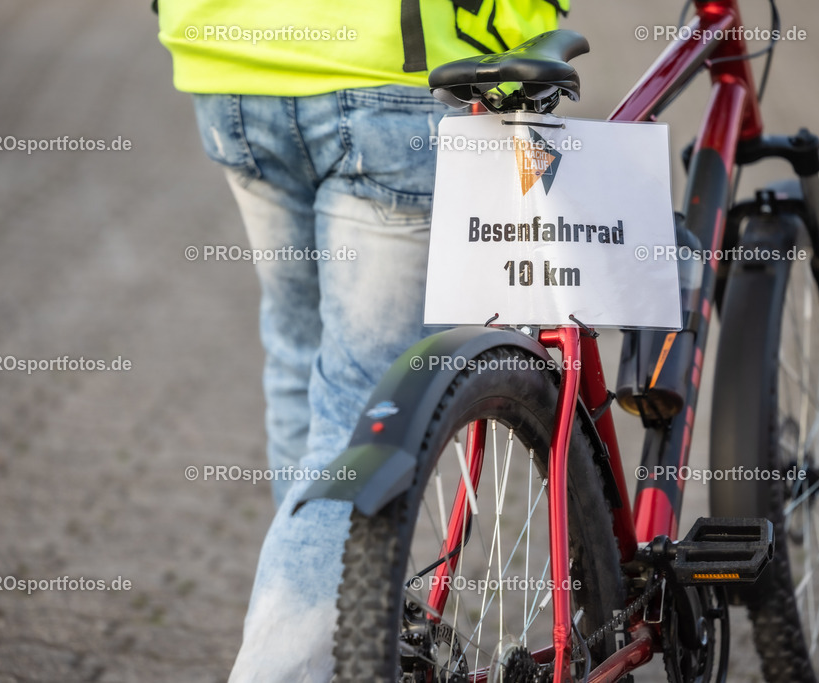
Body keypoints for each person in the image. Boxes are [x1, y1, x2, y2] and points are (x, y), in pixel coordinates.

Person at [157, 2, 568, 680]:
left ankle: (328, 635)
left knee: (301, 359)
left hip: (230, 61)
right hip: (389, 69)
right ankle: (287, 663)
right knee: (358, 414)